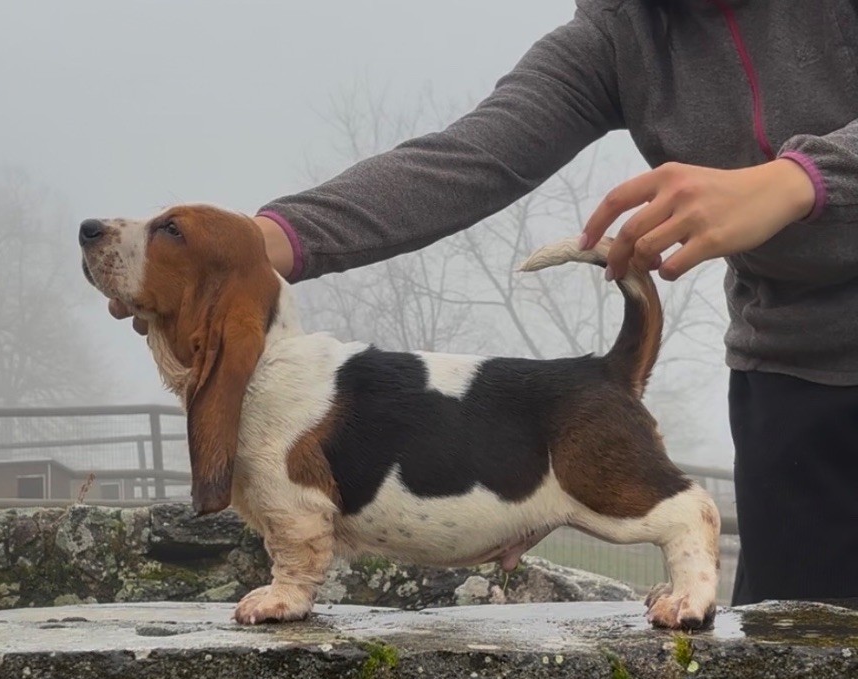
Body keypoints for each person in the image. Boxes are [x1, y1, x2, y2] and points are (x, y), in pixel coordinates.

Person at [110, 0, 858, 606]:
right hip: (791, 380)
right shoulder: (621, 32)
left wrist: (798, 181)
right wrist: (246, 250)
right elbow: (467, 159)